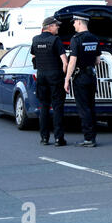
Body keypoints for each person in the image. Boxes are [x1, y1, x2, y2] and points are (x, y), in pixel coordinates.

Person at [64, 12, 101, 148]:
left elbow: (72, 61)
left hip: (80, 77)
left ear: (79, 22)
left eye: (74, 22)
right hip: (91, 76)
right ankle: (93, 137)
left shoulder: (76, 39)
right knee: (91, 107)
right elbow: (97, 61)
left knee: (83, 108)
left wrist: (67, 79)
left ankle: (88, 139)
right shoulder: (94, 38)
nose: (73, 25)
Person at [31, 16, 68, 147]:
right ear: (49, 26)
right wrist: (65, 76)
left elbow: (34, 57)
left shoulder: (35, 40)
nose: (58, 27)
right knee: (57, 107)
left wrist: (40, 68)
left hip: (41, 76)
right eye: (56, 25)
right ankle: (59, 139)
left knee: (44, 107)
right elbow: (65, 61)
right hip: (55, 77)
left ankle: (44, 138)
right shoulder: (55, 40)